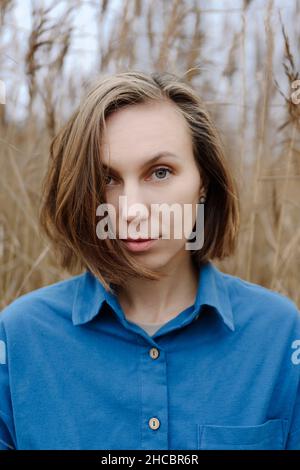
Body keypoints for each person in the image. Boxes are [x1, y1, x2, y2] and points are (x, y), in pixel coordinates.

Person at [0, 71, 299, 450]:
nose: (132, 210)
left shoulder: (279, 334)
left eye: (160, 172)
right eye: (107, 178)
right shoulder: (22, 337)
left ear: (203, 180)